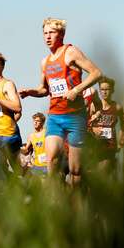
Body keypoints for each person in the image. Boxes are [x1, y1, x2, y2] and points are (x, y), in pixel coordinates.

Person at [20, 18, 102, 183]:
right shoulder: (45, 62)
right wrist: (31, 92)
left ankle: (77, 196)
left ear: (62, 34)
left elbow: (96, 73)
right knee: (52, 160)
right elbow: (45, 90)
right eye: (45, 33)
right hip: (55, 117)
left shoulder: (71, 52)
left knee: (75, 170)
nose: (48, 36)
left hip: (75, 117)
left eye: (52, 32)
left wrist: (76, 90)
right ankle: (55, 197)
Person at [87, 78, 124, 173]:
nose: (104, 92)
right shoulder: (94, 106)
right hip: (94, 145)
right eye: (102, 89)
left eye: (107, 89)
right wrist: (93, 128)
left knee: (102, 172)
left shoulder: (117, 107)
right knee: (91, 174)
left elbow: (123, 127)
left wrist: (120, 142)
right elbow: (86, 123)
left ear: (112, 90)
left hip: (109, 145)